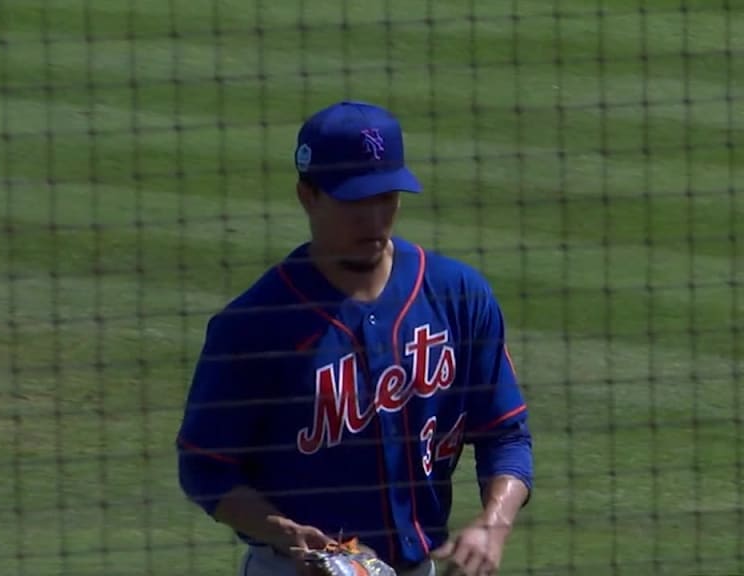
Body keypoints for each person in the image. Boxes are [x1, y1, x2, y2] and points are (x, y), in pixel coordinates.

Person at [174, 100, 534, 576]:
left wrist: (494, 523)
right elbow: (205, 468)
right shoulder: (254, 325)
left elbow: (505, 433)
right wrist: (283, 531)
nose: (374, 218)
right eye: (354, 201)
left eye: (386, 197)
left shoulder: (458, 296)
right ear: (308, 196)